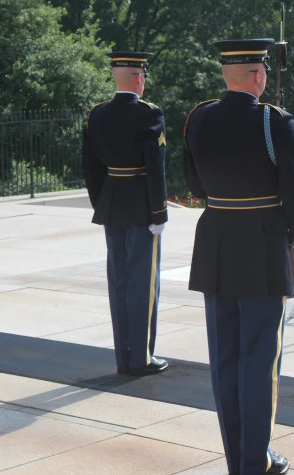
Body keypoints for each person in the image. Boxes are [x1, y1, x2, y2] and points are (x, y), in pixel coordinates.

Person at [183, 39, 294, 475]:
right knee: (259, 358)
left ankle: (238, 459)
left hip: (215, 240)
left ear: (224, 74)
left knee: (225, 358)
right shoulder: (275, 122)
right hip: (261, 243)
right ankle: (256, 461)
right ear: (258, 75)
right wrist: (284, 235)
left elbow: (194, 183)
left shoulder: (198, 117)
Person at [82, 51, 169, 376]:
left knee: (118, 280)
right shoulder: (149, 114)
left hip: (112, 203)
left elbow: (90, 167)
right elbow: (155, 165)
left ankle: (123, 357)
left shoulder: (98, 114)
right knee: (142, 282)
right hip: (142, 205)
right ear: (138, 78)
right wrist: (159, 211)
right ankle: (141, 358)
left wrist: (101, 203)